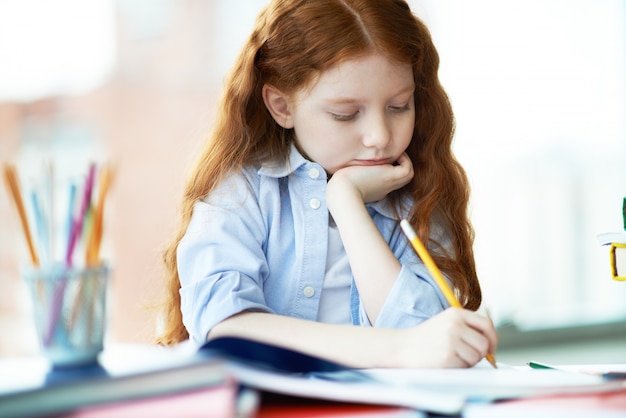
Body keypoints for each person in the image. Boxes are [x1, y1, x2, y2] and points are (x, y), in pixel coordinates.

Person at [157, 0, 497, 368]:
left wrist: (347, 202)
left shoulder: (422, 194)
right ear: (281, 106)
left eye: (399, 106)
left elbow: (429, 341)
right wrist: (397, 349)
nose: (380, 137)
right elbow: (226, 329)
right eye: (346, 114)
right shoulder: (242, 192)